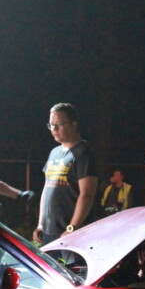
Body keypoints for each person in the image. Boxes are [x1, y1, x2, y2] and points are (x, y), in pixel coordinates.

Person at [34, 103, 97, 243]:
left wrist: (72, 228)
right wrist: (41, 224)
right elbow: (47, 188)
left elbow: (87, 194)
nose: (54, 129)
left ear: (74, 124)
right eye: (51, 125)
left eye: (59, 124)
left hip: (72, 234)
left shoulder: (83, 153)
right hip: (49, 232)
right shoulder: (54, 152)